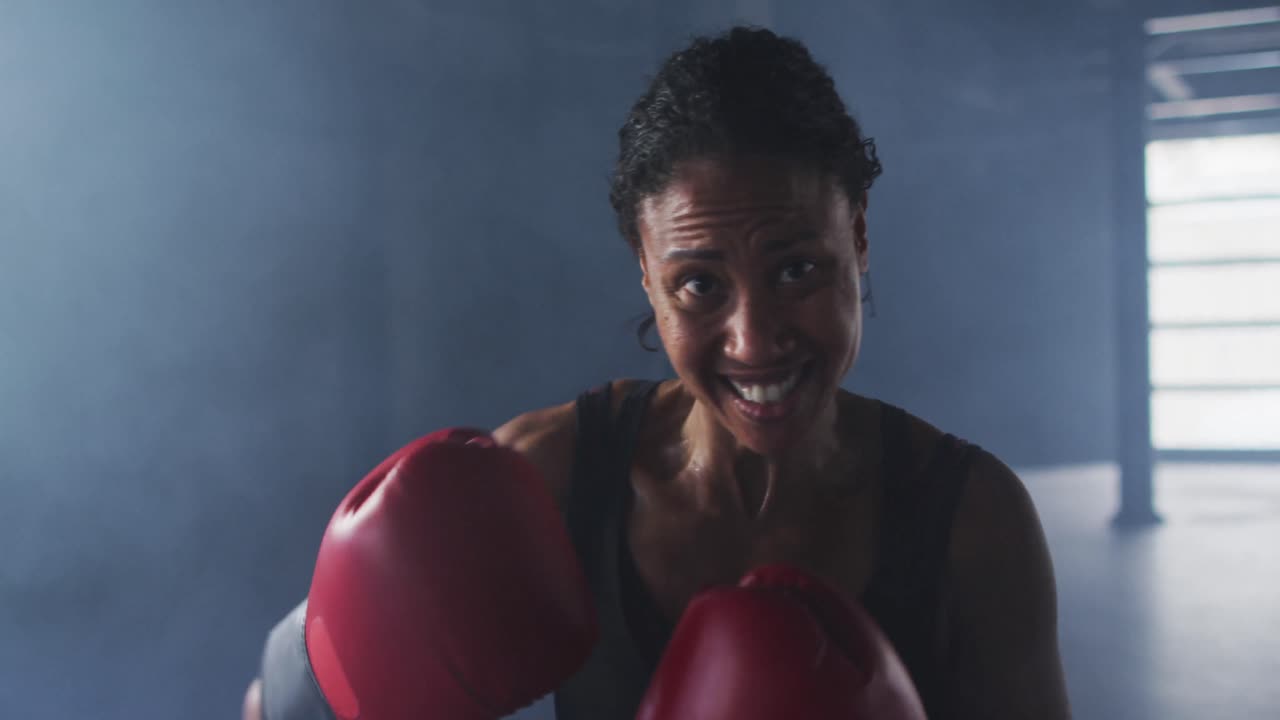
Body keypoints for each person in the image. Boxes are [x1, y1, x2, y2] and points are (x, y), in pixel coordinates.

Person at [243, 26, 1071, 720]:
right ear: (646, 272)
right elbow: (274, 707)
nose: (754, 341)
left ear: (856, 237)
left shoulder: (971, 523)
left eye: (795, 271)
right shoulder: (551, 476)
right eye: (700, 285)